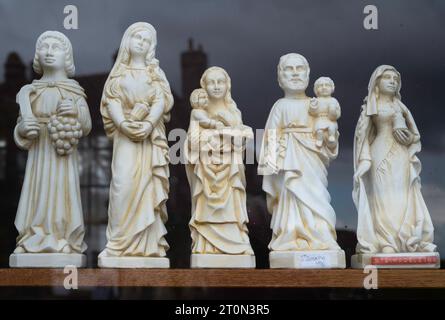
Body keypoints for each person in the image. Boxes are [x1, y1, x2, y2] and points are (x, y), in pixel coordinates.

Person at [99, 22, 173, 259]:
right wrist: (124, 124)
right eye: (137, 38)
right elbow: (111, 100)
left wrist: (148, 123)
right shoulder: (118, 74)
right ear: (127, 42)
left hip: (148, 140)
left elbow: (161, 101)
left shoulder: (155, 73)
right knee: (122, 186)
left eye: (146, 40)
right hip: (125, 140)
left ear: (151, 46)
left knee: (147, 186)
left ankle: (147, 245)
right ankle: (119, 244)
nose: (141, 42)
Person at [13, 31, 91, 255]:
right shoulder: (30, 92)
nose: (48, 52)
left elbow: (85, 125)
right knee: (37, 195)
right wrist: (23, 129)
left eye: (55, 47)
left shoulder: (73, 90)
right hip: (39, 154)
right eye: (43, 47)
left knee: (60, 194)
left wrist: (76, 110)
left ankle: (62, 237)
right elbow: (21, 124)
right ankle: (30, 239)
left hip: (62, 155)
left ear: (67, 56)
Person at [353, 65, 436, 254]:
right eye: (387, 78)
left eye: (395, 79)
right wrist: (363, 161)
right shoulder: (371, 107)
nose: (392, 81)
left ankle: (404, 239)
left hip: (400, 156)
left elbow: (415, 135)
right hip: (379, 154)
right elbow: (362, 136)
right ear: (377, 82)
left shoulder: (400, 106)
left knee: (401, 197)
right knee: (382, 197)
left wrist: (407, 138)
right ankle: (386, 241)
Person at [185, 66, 254, 256]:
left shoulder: (233, 111)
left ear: (227, 85)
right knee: (206, 205)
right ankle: (206, 243)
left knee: (231, 204)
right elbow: (191, 141)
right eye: (211, 82)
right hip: (206, 168)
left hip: (229, 170)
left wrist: (227, 132)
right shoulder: (198, 112)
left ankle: (234, 240)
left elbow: (241, 141)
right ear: (204, 87)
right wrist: (212, 138)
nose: (216, 86)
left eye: (220, 82)